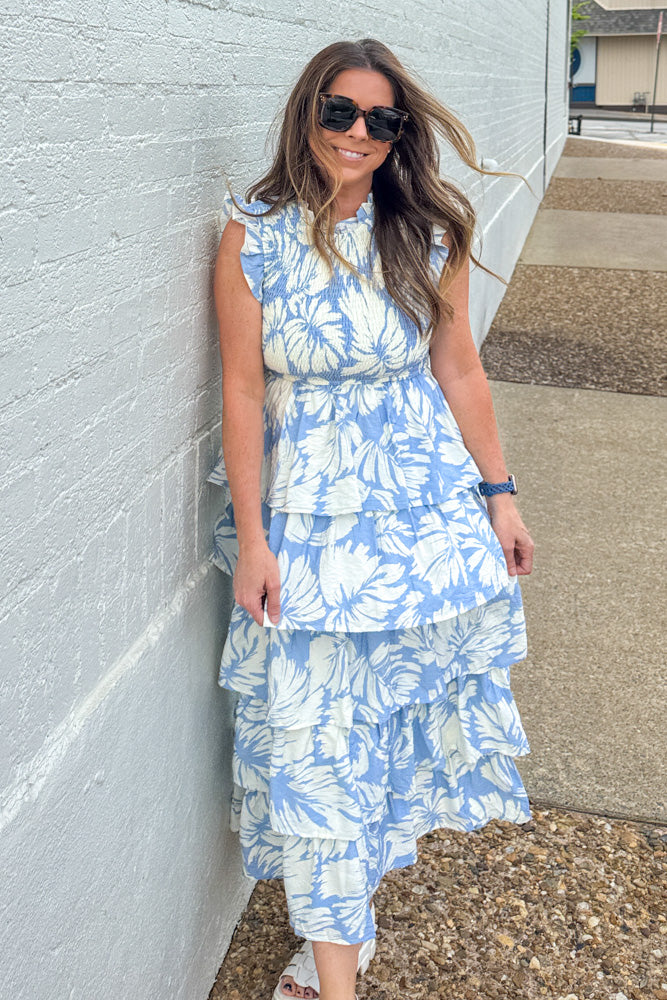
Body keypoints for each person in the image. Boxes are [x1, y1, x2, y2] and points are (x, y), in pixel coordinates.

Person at [208, 37, 535, 1000]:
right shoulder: (253, 235)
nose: (359, 134)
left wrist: (500, 494)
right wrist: (256, 539)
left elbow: (458, 370)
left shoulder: (427, 233)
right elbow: (238, 391)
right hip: (307, 525)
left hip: (421, 517)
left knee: (386, 721)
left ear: (401, 135)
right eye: (339, 113)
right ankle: (338, 969)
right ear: (305, 115)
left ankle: (339, 934)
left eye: (381, 121)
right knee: (314, 739)